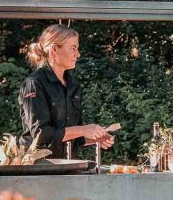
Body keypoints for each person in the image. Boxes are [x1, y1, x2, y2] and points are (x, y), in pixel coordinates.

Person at [19, 24, 114, 158]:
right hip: (38, 168)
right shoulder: (34, 84)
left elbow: (72, 136)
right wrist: (83, 130)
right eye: (73, 48)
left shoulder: (73, 86)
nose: (78, 54)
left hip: (68, 166)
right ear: (54, 49)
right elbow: (41, 134)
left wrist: (93, 137)